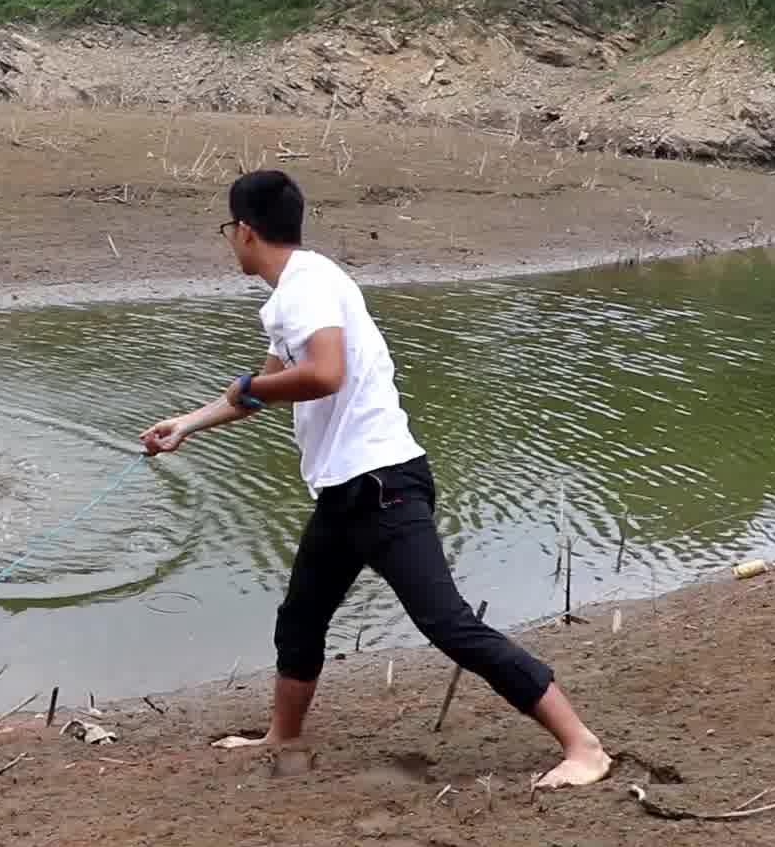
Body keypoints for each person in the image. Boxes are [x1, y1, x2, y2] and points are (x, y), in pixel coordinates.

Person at [140, 169, 611, 790]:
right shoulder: (299, 290)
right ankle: (283, 734)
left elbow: (324, 375)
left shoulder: (305, 288)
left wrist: (252, 386)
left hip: (383, 486)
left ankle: (584, 746)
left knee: (449, 625)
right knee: (302, 617)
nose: (231, 241)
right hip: (346, 491)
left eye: (230, 231)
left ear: (244, 231)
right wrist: (189, 424)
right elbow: (270, 384)